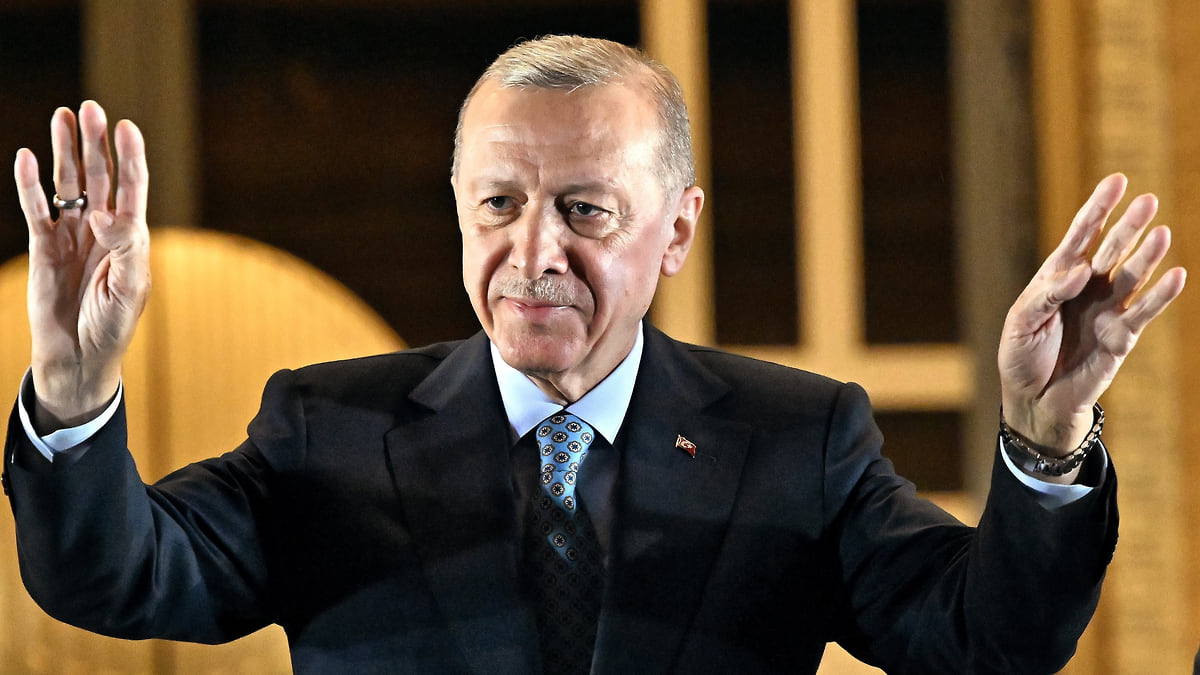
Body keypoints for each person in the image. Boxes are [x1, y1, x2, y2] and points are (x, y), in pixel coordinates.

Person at [3, 35, 1187, 675]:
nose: (533, 254)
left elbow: (990, 640)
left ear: (677, 230)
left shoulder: (795, 443)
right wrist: (72, 384)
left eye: (585, 210)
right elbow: (114, 577)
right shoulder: (331, 432)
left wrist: (1044, 438)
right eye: (498, 204)